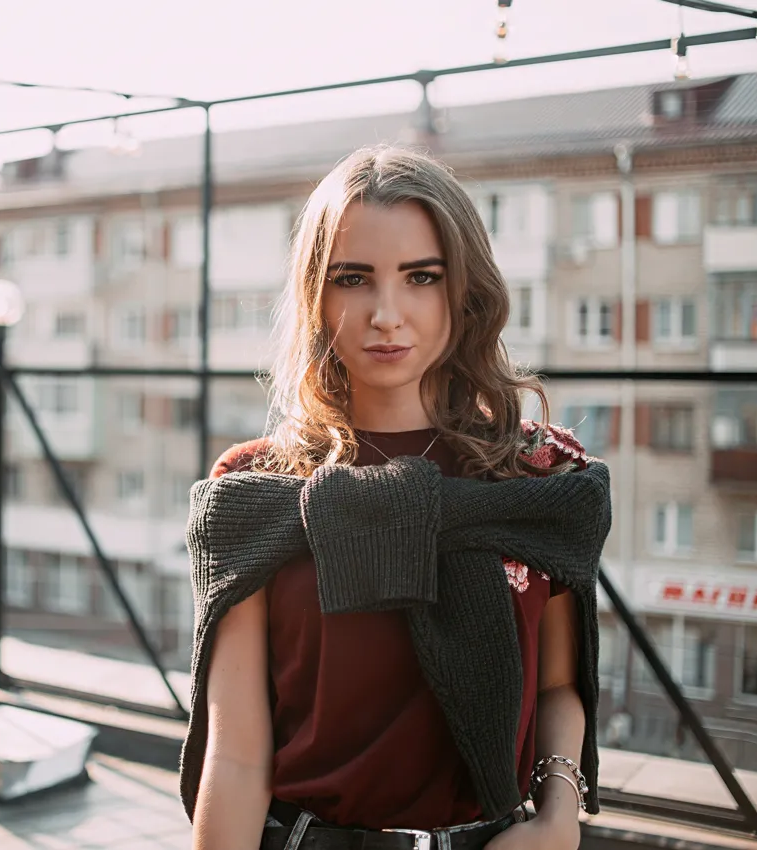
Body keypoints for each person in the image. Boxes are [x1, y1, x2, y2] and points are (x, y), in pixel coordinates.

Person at [180, 146, 612, 850]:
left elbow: (560, 688)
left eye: (421, 278)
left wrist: (559, 822)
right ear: (317, 296)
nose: (387, 313)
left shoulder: (538, 477)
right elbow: (235, 755)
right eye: (354, 278)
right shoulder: (256, 492)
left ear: (465, 290)